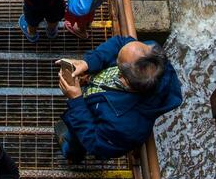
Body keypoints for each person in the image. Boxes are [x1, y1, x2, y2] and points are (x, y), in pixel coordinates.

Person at [54, 36, 182, 161]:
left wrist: (76, 101)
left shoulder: (126, 127)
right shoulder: (150, 54)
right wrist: (88, 63)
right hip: (94, 99)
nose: (115, 62)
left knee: (76, 142)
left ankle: (72, 154)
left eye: (118, 64)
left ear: (124, 79)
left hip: (88, 120)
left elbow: (95, 143)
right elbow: (122, 42)